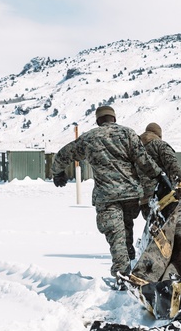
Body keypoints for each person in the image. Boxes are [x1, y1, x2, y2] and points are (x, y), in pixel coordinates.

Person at [51, 105, 163, 279]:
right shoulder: (128, 134)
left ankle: (122, 275)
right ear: (114, 118)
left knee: (117, 237)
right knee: (125, 232)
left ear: (97, 121)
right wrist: (159, 176)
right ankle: (129, 268)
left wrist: (57, 172)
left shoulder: (89, 138)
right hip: (131, 195)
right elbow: (144, 160)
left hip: (107, 196)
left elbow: (63, 155)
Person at [139, 122, 181, 218]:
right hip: (162, 196)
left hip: (143, 198)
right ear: (159, 134)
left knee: (154, 227)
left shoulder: (137, 148)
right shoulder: (159, 144)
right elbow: (173, 166)